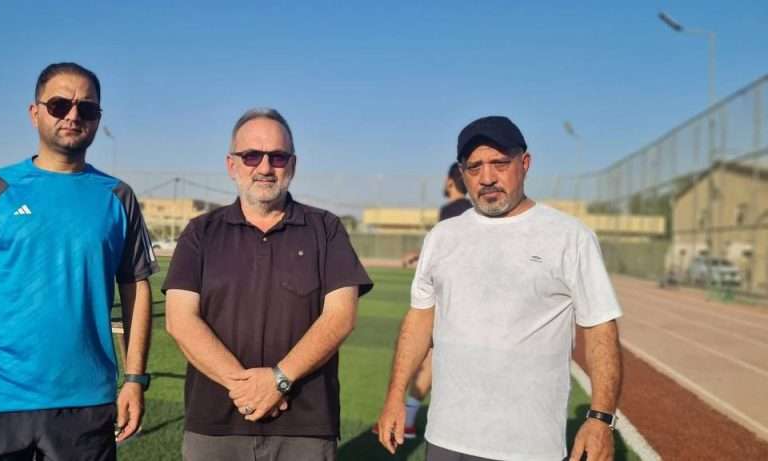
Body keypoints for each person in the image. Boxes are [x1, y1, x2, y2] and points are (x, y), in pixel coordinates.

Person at [0, 62, 159, 460]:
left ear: (98, 118)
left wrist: (135, 379)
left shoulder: (118, 197)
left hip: (86, 404)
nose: (73, 115)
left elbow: (136, 288)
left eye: (87, 108)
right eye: (59, 105)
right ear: (34, 113)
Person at [377, 116, 623, 461]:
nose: (487, 177)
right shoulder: (442, 238)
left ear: (525, 164)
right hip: (446, 438)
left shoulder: (570, 237)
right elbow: (419, 321)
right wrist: (396, 397)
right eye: (475, 167)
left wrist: (600, 419)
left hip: (529, 447)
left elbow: (600, 329)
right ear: (462, 174)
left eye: (500, 163)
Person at [163, 108, 374, 461]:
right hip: (215, 426)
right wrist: (248, 389)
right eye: (251, 156)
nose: (264, 167)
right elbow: (180, 320)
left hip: (304, 427)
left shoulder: (326, 229)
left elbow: (340, 317)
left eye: (277, 157)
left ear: (292, 165)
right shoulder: (200, 232)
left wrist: (279, 380)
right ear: (232, 165)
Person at [398, 161, 473, 438]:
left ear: (450, 181)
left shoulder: (453, 209)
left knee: (430, 356)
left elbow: (446, 251)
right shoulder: (470, 210)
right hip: (465, 296)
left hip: (452, 296)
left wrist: (423, 259)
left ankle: (407, 420)